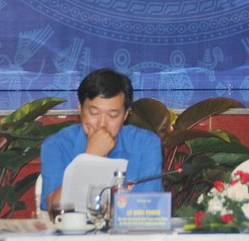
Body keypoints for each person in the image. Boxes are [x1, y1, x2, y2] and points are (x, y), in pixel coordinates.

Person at [40, 68, 163, 209]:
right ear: (80, 108)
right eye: (94, 113)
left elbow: (148, 207)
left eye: (112, 115)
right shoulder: (56, 145)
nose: (102, 123)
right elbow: (55, 207)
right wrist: (91, 157)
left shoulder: (146, 144)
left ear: (125, 115)